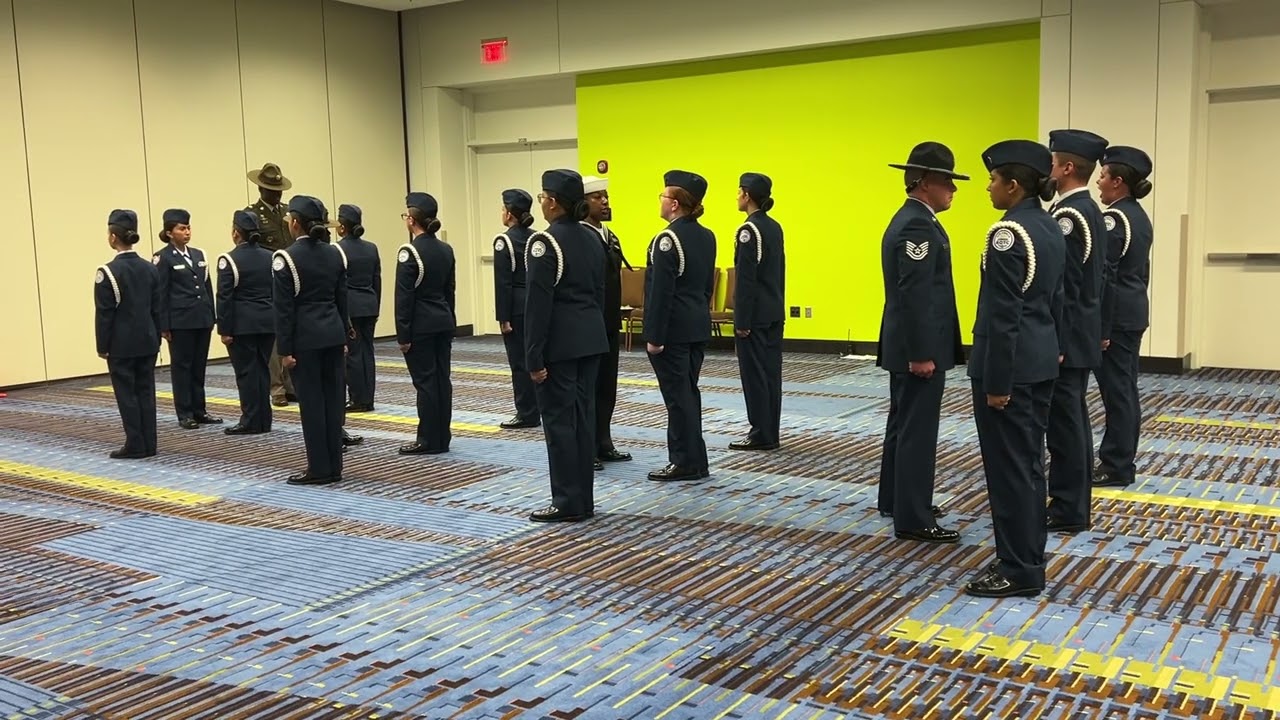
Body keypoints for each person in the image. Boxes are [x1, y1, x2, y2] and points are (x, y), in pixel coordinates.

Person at [966, 140, 1066, 598]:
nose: (988, 188)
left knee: (1010, 473)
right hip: (1040, 360)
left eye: (992, 180)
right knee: (1028, 467)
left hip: (1011, 370)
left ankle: (1019, 568)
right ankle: (1027, 557)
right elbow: (1057, 298)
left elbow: (1003, 314)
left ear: (1013, 184)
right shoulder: (1048, 227)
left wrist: (998, 384)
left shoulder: (1007, 234)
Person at [875, 143, 967, 543]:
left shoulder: (918, 219)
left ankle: (897, 498)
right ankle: (913, 516)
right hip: (917, 348)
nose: (953, 189)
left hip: (911, 344)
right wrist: (921, 353)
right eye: (948, 181)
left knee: (902, 423)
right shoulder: (917, 225)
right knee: (917, 430)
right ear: (925, 182)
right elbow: (915, 295)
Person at [525, 169, 608, 521]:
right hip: (590, 340)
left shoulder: (545, 242)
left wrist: (533, 356)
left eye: (543, 197)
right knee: (583, 420)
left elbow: (538, 305)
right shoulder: (593, 238)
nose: (541, 203)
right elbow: (599, 293)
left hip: (559, 346)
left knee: (559, 424)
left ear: (553, 201)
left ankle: (567, 502)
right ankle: (582, 498)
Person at [1045, 128, 1110, 533]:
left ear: (1068, 167)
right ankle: (1072, 503)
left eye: (1052, 163)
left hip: (1068, 337)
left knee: (1065, 424)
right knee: (1072, 421)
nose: (1048, 171)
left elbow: (1066, 286)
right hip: (1081, 331)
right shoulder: (1087, 210)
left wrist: (1060, 342)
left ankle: (1068, 508)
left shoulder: (1070, 215)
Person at [273, 195, 352, 485]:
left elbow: (283, 309)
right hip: (332, 334)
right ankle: (335, 466)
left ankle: (319, 468)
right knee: (333, 402)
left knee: (313, 406)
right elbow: (341, 299)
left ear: (295, 223)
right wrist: (344, 335)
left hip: (304, 339)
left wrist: (285, 349)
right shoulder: (335, 254)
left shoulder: (286, 258)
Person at [644, 170, 716, 481]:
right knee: (689, 393)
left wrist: (654, 336)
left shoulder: (667, 239)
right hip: (697, 325)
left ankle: (684, 461)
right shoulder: (706, 235)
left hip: (673, 331)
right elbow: (705, 287)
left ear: (674, 204)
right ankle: (696, 459)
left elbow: (661, 293)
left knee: (677, 398)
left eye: (662, 196)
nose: (659, 202)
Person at [1094, 146, 1154, 489]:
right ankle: (1119, 459)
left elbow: (1107, 276)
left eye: (1103, 176)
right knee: (1124, 390)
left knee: (1117, 392)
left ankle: (1116, 464)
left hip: (1116, 318)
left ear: (1118, 182)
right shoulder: (1137, 215)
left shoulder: (1114, 219)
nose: (1099, 183)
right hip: (1132, 312)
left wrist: (1101, 327)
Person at [95, 209, 162, 459]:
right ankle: (150, 443)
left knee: (127, 394)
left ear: (113, 237)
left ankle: (135, 443)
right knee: (146, 391)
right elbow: (157, 308)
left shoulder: (108, 272)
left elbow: (105, 314)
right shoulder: (150, 268)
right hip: (147, 339)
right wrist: (156, 337)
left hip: (121, 343)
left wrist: (102, 346)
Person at [395, 192, 456, 456]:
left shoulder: (410, 252)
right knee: (442, 379)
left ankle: (428, 438)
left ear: (411, 220)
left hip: (421, 325)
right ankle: (443, 435)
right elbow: (450, 290)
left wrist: (403, 334)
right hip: (443, 321)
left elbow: (404, 297)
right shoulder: (446, 249)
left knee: (426, 383)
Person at [729, 172, 786, 452]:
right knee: (771, 374)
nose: (737, 196)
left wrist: (741, 320)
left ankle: (760, 432)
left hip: (755, 316)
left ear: (747, 195)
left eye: (739, 191)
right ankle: (770, 430)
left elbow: (746, 279)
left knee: (754, 376)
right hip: (773, 310)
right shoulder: (774, 227)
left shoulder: (748, 231)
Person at [581, 175, 633, 467]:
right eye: (596, 196)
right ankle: (586, 448)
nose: (604, 201)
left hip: (610, 324)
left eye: (606, 197)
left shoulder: (609, 236)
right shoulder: (578, 236)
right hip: (588, 327)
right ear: (582, 202)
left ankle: (604, 441)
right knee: (586, 391)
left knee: (606, 388)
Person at [154, 208, 220, 429]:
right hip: (180, 322)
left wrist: (212, 315)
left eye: (188, 227)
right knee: (182, 367)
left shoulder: (199, 254)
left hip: (201, 319)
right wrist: (163, 325)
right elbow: (161, 293)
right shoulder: (162, 257)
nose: (187, 232)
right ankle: (184, 413)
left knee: (198, 366)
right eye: (182, 228)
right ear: (170, 232)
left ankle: (199, 410)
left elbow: (207, 286)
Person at [216, 211, 275, 435]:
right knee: (262, 369)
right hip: (267, 322)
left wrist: (224, 329)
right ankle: (264, 419)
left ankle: (251, 419)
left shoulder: (229, 259)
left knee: (246, 373)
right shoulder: (270, 256)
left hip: (242, 324)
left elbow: (225, 297)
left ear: (235, 233)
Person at [246, 162, 298, 407]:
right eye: (271, 189)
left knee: (291, 332)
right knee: (275, 335)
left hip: (293, 278)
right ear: (260, 189)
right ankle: (276, 387)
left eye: (278, 189)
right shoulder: (252, 215)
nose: (276, 194)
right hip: (269, 280)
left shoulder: (289, 212)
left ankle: (290, 385)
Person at [493, 189, 540, 430]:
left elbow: (503, 282)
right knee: (536, 357)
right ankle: (538, 406)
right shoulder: (536, 237)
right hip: (535, 303)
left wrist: (503, 316)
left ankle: (526, 412)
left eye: (503, 209)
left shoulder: (505, 241)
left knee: (519, 362)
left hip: (516, 306)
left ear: (510, 214)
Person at [336, 204, 381, 413]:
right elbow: (376, 280)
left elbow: (338, 285)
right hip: (369, 304)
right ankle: (368, 397)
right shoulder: (371, 248)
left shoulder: (338, 249)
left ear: (342, 226)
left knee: (352, 355)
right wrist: (376, 306)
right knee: (367, 353)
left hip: (350, 308)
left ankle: (357, 399)